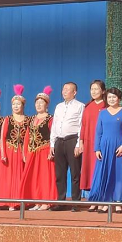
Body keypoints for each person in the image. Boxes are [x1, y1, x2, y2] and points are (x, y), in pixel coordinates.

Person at [88, 87, 122, 213]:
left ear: (119, 99)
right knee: (104, 174)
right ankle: (106, 202)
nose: (111, 99)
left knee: (118, 175)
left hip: (119, 148)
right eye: (109, 97)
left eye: (114, 97)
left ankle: (118, 202)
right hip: (104, 148)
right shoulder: (102, 113)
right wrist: (97, 149)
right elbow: (98, 132)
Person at [49, 82, 85, 212]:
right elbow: (55, 125)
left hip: (72, 140)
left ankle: (76, 202)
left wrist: (78, 144)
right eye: (63, 89)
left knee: (75, 173)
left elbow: (81, 126)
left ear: (74, 92)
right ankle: (61, 201)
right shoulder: (58, 106)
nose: (64, 91)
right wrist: (52, 144)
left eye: (67, 89)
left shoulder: (80, 106)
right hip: (59, 141)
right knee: (60, 173)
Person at [20, 86, 56, 210]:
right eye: (37, 103)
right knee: (34, 177)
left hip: (45, 151)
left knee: (44, 177)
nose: (39, 105)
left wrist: (52, 150)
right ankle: (36, 201)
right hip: (32, 152)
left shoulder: (50, 118)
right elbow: (27, 136)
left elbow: (53, 135)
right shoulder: (31, 119)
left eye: (41, 103)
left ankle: (46, 202)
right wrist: (24, 152)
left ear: (47, 105)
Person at [0, 85, 30, 211]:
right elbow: (2, 137)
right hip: (10, 151)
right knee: (8, 177)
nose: (16, 106)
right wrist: (3, 153)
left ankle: (18, 201)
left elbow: (28, 138)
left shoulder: (27, 120)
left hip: (21, 152)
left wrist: (26, 153)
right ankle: (5, 202)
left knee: (20, 177)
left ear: (23, 105)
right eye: (14, 104)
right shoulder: (8, 119)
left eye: (18, 104)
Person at [81, 80, 107, 211]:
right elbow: (83, 126)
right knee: (90, 171)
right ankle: (93, 200)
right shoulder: (88, 106)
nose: (94, 91)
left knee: (100, 171)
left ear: (103, 91)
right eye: (92, 89)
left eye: (97, 89)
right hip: (88, 143)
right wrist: (81, 141)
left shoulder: (106, 106)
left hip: (101, 143)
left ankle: (102, 199)